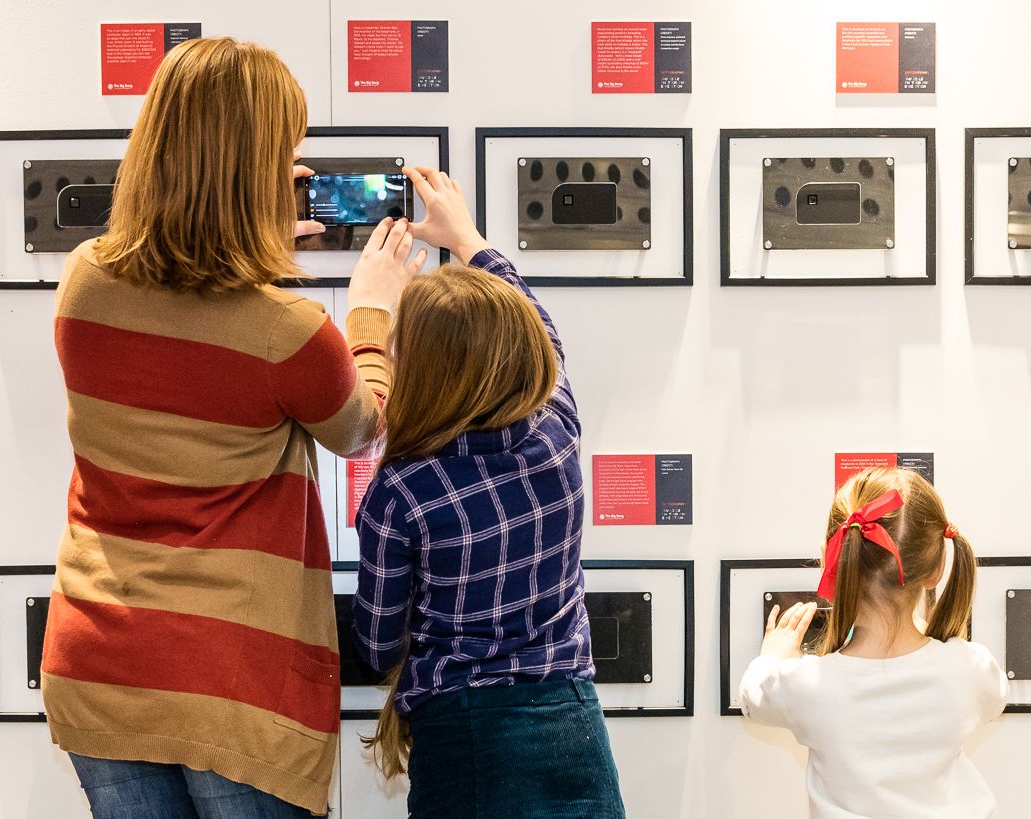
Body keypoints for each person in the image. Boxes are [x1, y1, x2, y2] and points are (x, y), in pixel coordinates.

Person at [40, 37, 427, 818]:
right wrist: (374, 309)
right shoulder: (285, 328)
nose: (300, 170)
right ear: (249, 169)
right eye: (283, 152)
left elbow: (191, 320)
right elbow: (363, 426)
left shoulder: (82, 282)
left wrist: (249, 243)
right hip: (235, 682)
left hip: (101, 662)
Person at [351, 166, 625, 819]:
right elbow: (531, 320)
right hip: (571, 718)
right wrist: (469, 237)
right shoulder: (557, 427)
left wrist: (370, 310)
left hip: (463, 734)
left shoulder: (402, 489)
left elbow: (378, 641)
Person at [741, 467, 1009, 819]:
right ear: (938, 568)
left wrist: (774, 656)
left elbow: (752, 700)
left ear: (831, 559)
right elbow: (994, 700)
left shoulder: (806, 685)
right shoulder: (971, 668)